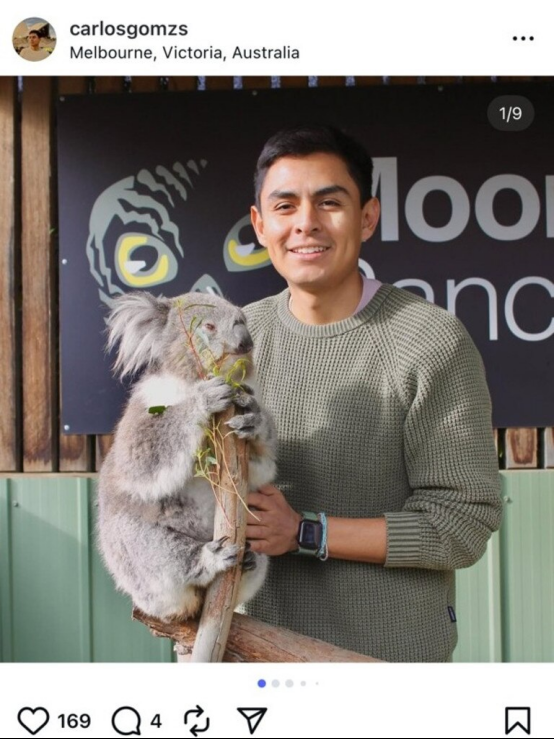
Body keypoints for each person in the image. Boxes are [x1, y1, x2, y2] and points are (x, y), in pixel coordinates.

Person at [241, 124, 503, 662]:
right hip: (253, 658)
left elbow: (462, 523)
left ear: (367, 217)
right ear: (260, 224)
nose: (306, 223)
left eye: (329, 202)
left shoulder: (429, 340)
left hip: (387, 664)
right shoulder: (234, 341)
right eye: (285, 206)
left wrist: (305, 532)